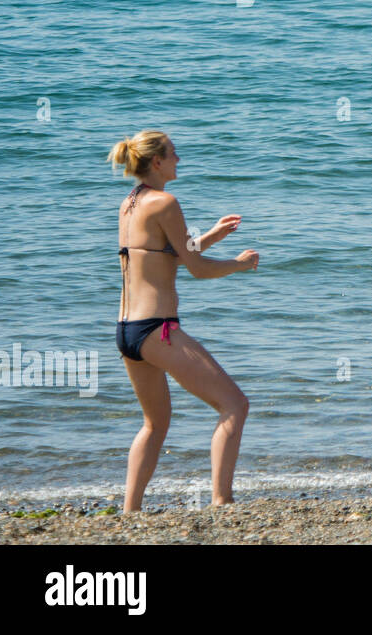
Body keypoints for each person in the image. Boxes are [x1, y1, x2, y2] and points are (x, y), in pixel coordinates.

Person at [107, 130, 259, 511]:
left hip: (128, 332)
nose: (179, 160)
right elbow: (196, 269)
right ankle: (222, 500)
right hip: (158, 330)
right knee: (234, 405)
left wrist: (211, 235)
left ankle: (130, 512)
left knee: (155, 424)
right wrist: (238, 265)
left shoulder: (130, 203)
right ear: (157, 162)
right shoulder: (166, 202)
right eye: (174, 154)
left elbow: (167, 255)